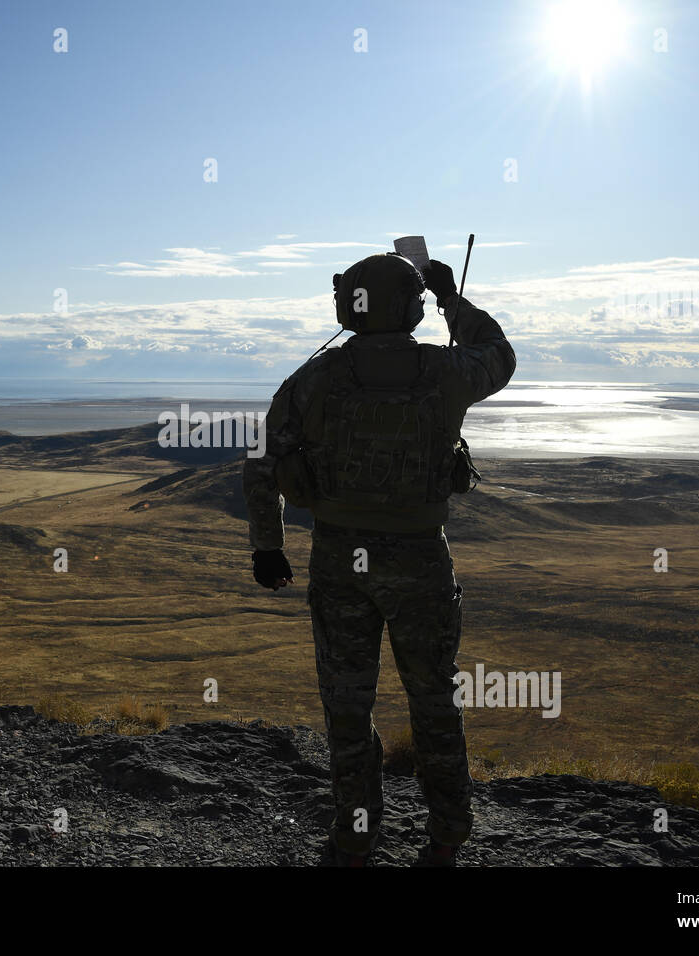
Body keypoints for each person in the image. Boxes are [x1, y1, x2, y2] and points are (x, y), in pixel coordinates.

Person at [243, 251, 515, 865]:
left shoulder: (313, 378)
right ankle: (445, 840)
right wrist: (453, 297)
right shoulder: (448, 371)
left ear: (349, 306)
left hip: (340, 561)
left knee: (347, 705)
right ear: (414, 307)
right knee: (436, 702)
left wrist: (267, 546)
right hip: (422, 561)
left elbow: (262, 461)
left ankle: (355, 838)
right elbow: (500, 354)